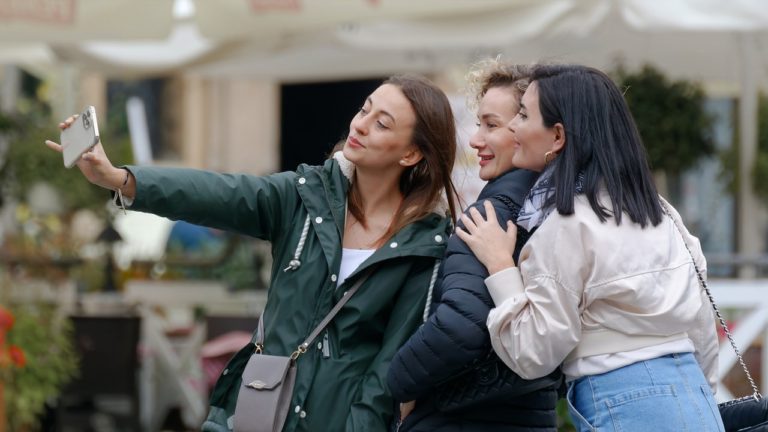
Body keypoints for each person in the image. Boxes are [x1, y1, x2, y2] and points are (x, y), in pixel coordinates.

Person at [46, 75, 459, 432]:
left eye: (382, 123)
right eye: (364, 109)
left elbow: (387, 373)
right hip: (261, 411)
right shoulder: (303, 196)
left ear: (411, 154)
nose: (361, 125)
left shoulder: (424, 245)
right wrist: (122, 178)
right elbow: (217, 193)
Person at [455, 64, 724, 431]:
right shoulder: (660, 210)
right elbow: (701, 325)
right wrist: (703, 396)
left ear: (558, 136)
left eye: (523, 114)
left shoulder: (566, 224)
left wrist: (501, 266)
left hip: (623, 398)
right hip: (692, 396)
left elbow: (534, 352)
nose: (513, 126)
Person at [387, 60, 560, 432]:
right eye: (479, 123)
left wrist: (394, 383)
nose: (475, 139)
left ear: (530, 129)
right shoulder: (563, 211)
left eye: (492, 125)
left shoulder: (490, 216)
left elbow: (460, 326)